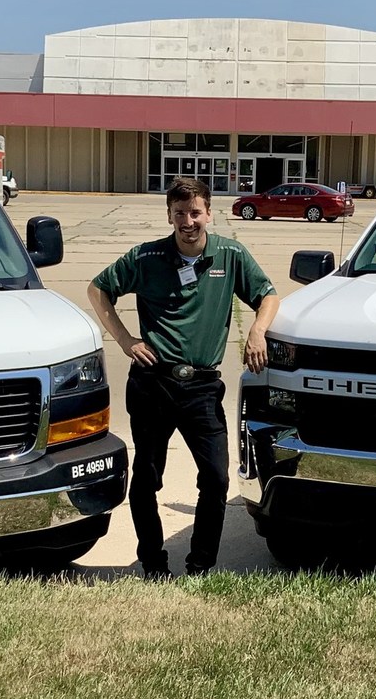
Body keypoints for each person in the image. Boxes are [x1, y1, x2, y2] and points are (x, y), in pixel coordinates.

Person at [89, 177, 279, 578]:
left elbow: (268, 295)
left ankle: (200, 564)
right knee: (147, 478)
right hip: (152, 384)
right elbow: (98, 289)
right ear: (169, 216)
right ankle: (153, 563)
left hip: (202, 388)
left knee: (216, 477)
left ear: (209, 213)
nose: (188, 222)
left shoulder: (230, 255)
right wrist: (125, 340)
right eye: (180, 213)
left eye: (195, 212)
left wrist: (258, 330)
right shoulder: (146, 257)